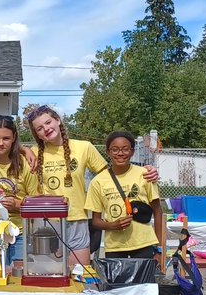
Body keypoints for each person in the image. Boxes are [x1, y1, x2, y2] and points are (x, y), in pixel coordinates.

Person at [23, 104, 158, 270]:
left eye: (48, 122)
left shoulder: (84, 147)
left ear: (58, 121)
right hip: (46, 223)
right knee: (48, 275)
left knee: (80, 275)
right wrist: (23, 149)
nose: (46, 128)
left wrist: (146, 170)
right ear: (37, 135)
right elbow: (6, 146)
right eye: (39, 128)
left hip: (77, 220)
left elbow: (109, 175)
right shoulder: (34, 152)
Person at [85, 131, 163, 260]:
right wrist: (112, 225)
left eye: (125, 149)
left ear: (132, 152)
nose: (120, 153)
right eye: (114, 149)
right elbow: (96, 221)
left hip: (144, 245)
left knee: (144, 281)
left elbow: (157, 210)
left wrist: (159, 247)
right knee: (118, 281)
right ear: (108, 152)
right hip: (115, 248)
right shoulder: (97, 182)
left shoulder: (145, 174)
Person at [0, 115, 37, 265]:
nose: (1, 143)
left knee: (19, 277)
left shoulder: (26, 164)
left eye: (6, 138)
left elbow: (36, 204)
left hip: (22, 232)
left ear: (14, 138)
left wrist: (16, 204)